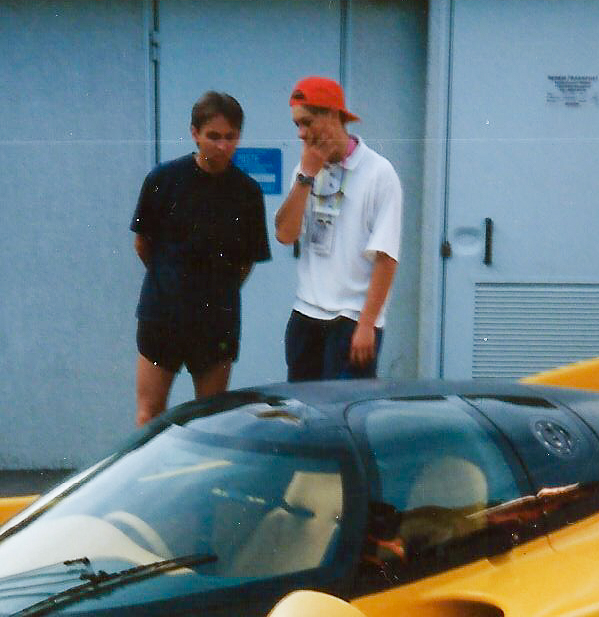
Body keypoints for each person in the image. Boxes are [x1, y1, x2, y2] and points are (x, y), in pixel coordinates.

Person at [130, 92, 270, 426]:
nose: (222, 146)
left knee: (211, 420)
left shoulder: (247, 192)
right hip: (162, 316)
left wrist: (214, 289)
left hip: (216, 321)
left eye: (230, 137)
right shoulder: (163, 180)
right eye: (213, 137)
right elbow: (142, 244)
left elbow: (246, 261)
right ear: (195, 133)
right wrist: (171, 280)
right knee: (149, 414)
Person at [273, 76, 402, 381]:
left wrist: (368, 324)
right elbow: (285, 234)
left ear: (332, 115)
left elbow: (386, 256)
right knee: (303, 416)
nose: (302, 134)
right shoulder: (304, 171)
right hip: (307, 313)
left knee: (344, 416)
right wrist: (306, 175)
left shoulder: (378, 173)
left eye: (307, 123)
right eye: (297, 126)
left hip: (352, 319)